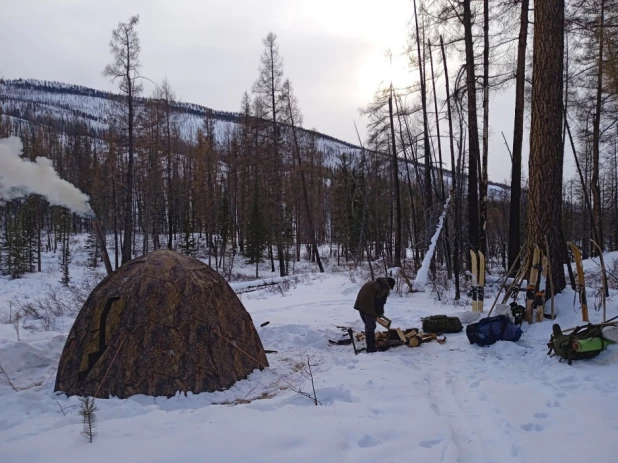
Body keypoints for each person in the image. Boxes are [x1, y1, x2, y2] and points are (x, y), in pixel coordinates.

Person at [353, 277, 395, 353]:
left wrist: (378, 313)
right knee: (371, 326)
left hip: (360, 305)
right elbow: (380, 302)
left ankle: (370, 343)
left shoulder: (374, 283)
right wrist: (380, 312)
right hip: (368, 306)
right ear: (389, 285)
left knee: (368, 325)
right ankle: (370, 347)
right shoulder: (384, 287)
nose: (389, 289)